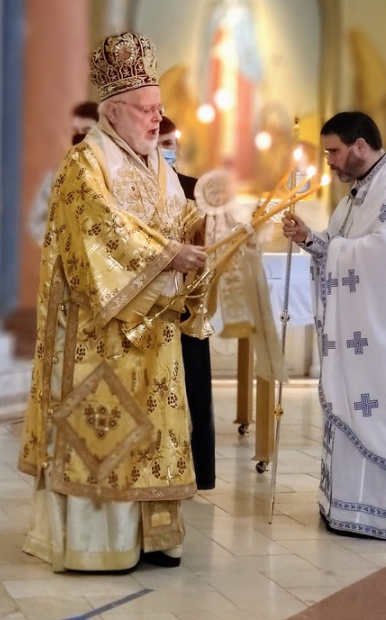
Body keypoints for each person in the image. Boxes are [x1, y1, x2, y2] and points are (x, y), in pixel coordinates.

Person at [19, 32, 207, 572]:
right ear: (114, 111)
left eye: (159, 109)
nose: (156, 119)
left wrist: (202, 232)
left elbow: (175, 221)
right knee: (111, 435)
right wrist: (168, 254)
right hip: (100, 338)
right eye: (146, 110)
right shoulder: (85, 164)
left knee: (156, 432)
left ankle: (153, 536)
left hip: (155, 329)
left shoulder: (158, 166)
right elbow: (98, 232)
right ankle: (102, 543)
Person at [282, 112, 386, 540]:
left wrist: (333, 249)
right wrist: (309, 239)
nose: (330, 162)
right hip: (371, 338)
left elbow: (384, 257)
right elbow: (345, 247)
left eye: (334, 152)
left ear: (360, 145)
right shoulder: (362, 190)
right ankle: (349, 507)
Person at [159, 115, 216, 491]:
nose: (169, 150)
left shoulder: (195, 189)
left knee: (195, 385)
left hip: (190, 301)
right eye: (162, 142)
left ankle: (201, 469)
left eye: (172, 143)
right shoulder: (137, 189)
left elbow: (211, 241)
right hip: (154, 301)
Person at [28, 101, 99, 245]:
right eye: (75, 131)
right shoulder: (56, 179)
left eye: (86, 131)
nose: (79, 137)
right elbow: (37, 223)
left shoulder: (119, 176)